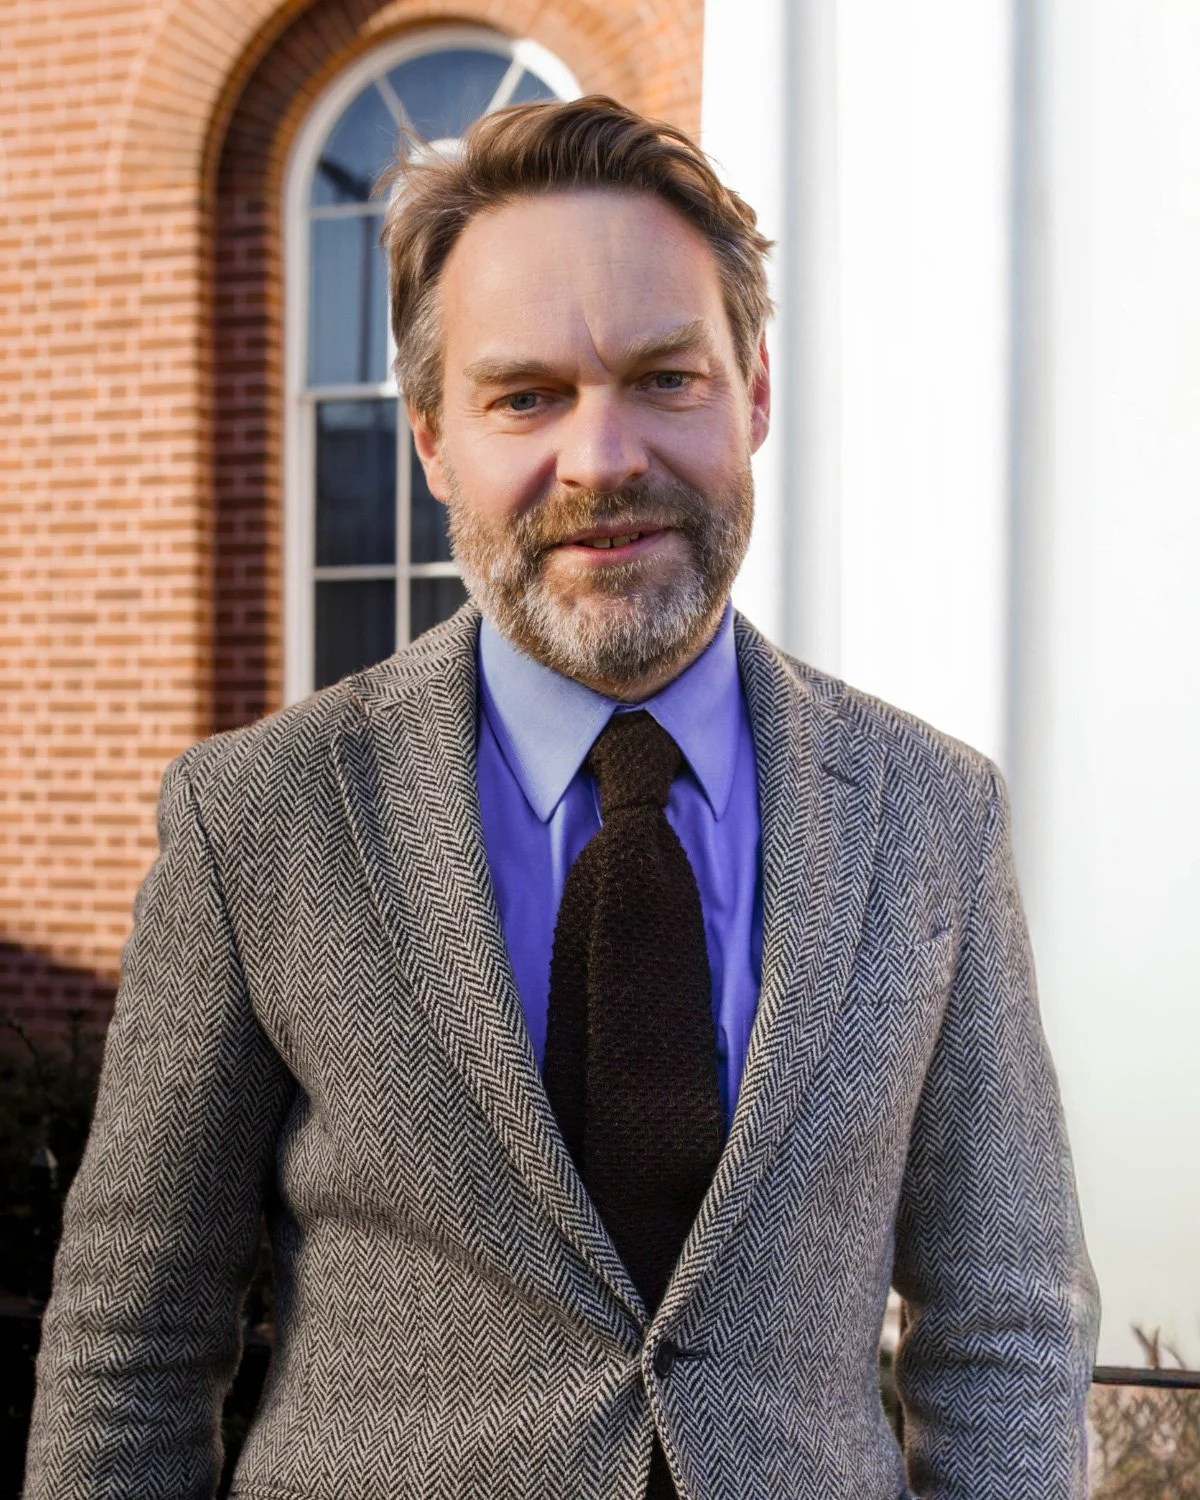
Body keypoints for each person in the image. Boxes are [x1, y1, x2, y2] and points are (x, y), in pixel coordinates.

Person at [25, 96, 1099, 1500]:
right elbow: (133, 1351)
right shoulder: (261, 820)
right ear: (431, 441)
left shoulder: (935, 814)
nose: (603, 459)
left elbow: (1007, 1325)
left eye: (666, 377)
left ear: (754, 394)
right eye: (527, 395)